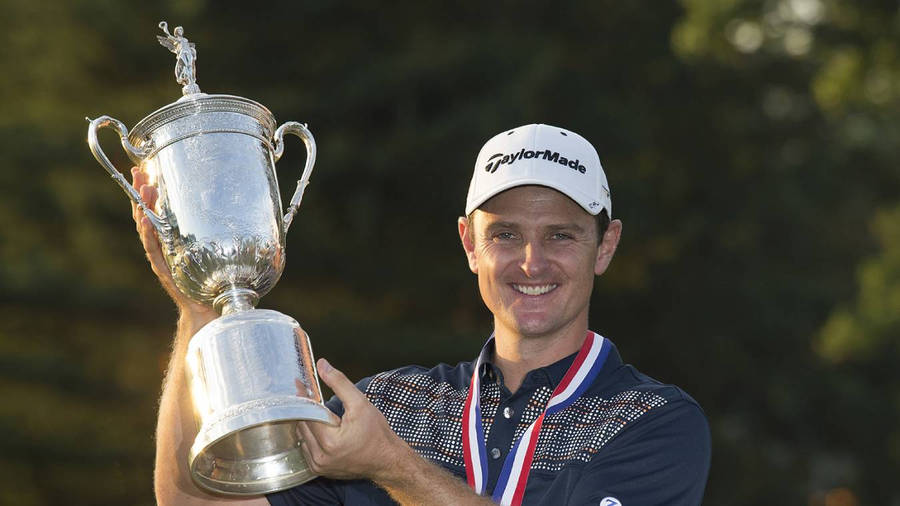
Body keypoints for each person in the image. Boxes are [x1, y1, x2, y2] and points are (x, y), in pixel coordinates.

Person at [134, 123, 711, 506]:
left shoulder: (652, 421)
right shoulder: (392, 406)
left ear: (605, 246)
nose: (532, 262)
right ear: (468, 244)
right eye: (505, 234)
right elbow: (196, 501)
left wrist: (391, 466)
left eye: (561, 235)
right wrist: (198, 313)